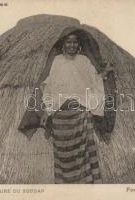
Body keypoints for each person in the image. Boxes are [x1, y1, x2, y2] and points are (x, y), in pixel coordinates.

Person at [38, 33, 113, 184]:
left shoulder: (84, 61)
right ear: (63, 44)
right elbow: (50, 86)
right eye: (68, 42)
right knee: (63, 152)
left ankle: (84, 185)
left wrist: (105, 72)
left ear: (79, 45)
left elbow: (94, 80)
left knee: (83, 152)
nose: (71, 45)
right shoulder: (57, 61)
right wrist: (48, 110)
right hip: (61, 117)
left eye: (74, 42)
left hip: (81, 116)